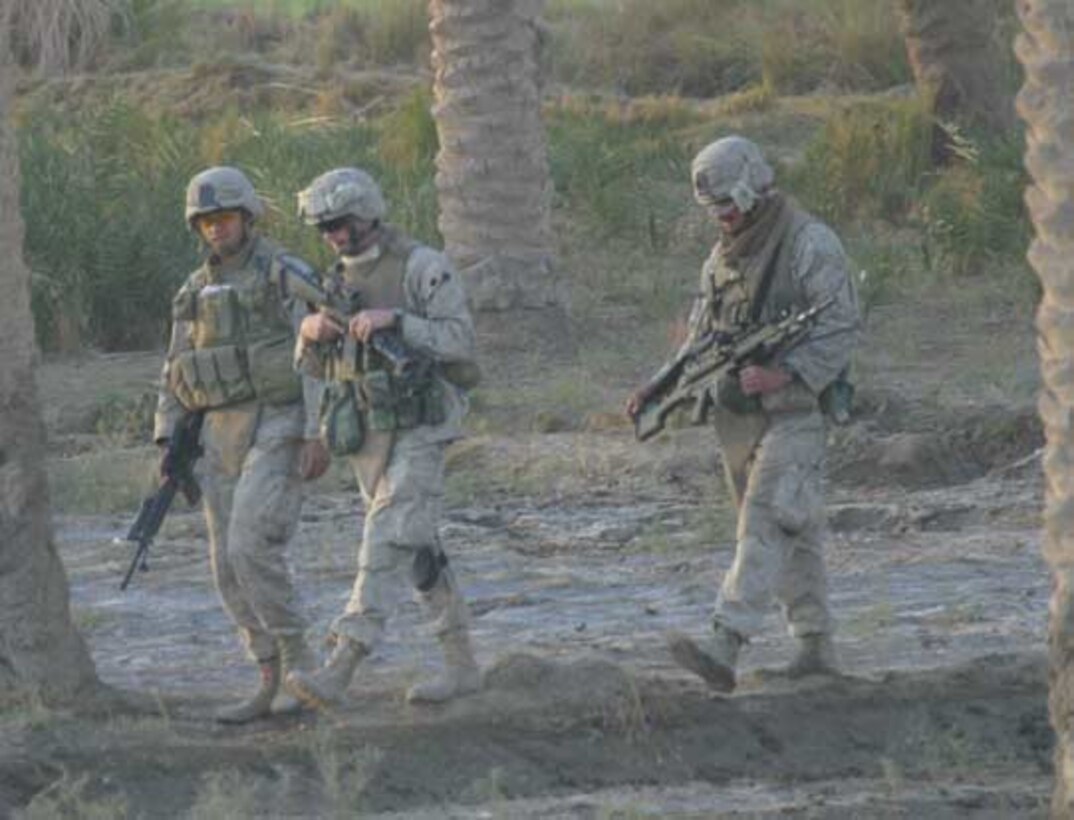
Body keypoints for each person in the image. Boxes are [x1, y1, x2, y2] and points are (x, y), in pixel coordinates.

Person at [628, 136, 861, 693]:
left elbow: (842, 326)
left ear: (755, 188)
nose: (724, 218)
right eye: (715, 210)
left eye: (730, 205)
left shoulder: (809, 244)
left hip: (797, 413)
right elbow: (700, 342)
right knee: (793, 532)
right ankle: (815, 646)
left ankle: (723, 643)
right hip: (742, 419)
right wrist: (659, 387)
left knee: (766, 520)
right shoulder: (720, 261)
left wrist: (788, 373)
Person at [284, 167, 482, 709]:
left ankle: (342, 664)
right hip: (367, 433)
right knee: (417, 549)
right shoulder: (332, 285)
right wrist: (310, 335)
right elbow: (314, 370)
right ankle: (462, 664)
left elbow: (460, 340)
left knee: (387, 539)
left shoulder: (422, 267)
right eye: (325, 228)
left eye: (341, 224)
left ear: (368, 212)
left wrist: (396, 320)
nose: (334, 236)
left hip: (421, 426)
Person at [154, 166, 329, 723]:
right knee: (224, 568)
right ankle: (268, 673)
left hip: (278, 420)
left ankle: (302, 665)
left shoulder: (283, 273)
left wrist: (317, 430)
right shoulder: (193, 289)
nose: (215, 229)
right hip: (216, 433)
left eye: (224, 218)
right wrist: (167, 441)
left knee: (251, 546)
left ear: (247, 217)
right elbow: (176, 366)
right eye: (205, 221)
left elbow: (321, 351)